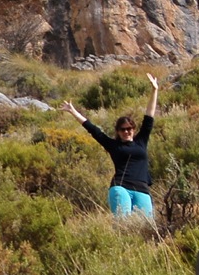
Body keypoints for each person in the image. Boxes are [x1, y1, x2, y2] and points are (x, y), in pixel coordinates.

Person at [62, 73, 161, 219]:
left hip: (142, 190)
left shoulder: (141, 141)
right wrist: (73, 111)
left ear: (133, 129)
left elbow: (149, 116)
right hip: (121, 188)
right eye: (123, 129)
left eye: (129, 128)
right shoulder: (113, 145)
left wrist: (155, 90)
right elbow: (92, 129)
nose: (127, 131)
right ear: (118, 131)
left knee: (147, 226)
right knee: (124, 223)